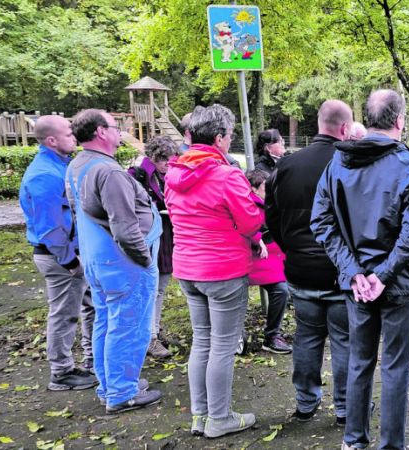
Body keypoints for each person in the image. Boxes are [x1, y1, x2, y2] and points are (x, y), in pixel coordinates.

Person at [311, 89, 409, 450]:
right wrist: (367, 274)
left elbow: (321, 222)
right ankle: (385, 444)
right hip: (391, 283)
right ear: (399, 121)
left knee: (360, 361)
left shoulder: (339, 163)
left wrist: (358, 274)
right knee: (394, 365)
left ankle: (354, 442)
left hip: (365, 283)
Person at [165, 104, 263, 438]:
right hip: (222, 270)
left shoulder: (173, 173)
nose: (230, 140)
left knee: (202, 341)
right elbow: (251, 220)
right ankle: (219, 418)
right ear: (220, 138)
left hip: (188, 269)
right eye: (230, 135)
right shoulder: (226, 174)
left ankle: (200, 415)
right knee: (222, 345)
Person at [66, 109, 162, 413]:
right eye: (115, 126)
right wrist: (144, 259)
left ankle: (111, 384)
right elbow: (124, 224)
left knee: (107, 321)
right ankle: (122, 393)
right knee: (129, 326)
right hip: (123, 263)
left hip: (99, 260)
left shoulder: (78, 166)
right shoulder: (108, 172)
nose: (120, 130)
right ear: (99, 132)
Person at [265, 99, 353, 426]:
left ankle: (305, 402)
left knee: (306, 337)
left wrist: (290, 248)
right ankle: (345, 408)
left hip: (301, 270)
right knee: (345, 341)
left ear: (319, 123)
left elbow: (271, 215)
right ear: (345, 128)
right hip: (342, 272)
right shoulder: (349, 164)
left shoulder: (286, 166)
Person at [19, 115, 97, 390]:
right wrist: (69, 261)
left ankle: (92, 360)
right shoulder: (44, 175)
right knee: (64, 313)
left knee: (91, 307)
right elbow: (50, 227)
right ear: (51, 140)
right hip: (59, 257)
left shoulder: (59, 166)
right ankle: (61, 372)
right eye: (68, 132)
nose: (74, 135)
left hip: (71, 254)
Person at [128, 136, 178, 359]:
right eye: (164, 159)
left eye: (171, 158)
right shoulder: (138, 175)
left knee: (160, 288)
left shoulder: (166, 176)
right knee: (149, 289)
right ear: (155, 157)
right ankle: (149, 338)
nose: (169, 163)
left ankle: (154, 331)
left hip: (167, 237)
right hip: (148, 238)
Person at [244, 169, 292, 354]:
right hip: (250, 258)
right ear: (254, 189)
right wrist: (257, 238)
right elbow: (241, 225)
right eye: (266, 186)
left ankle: (272, 335)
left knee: (281, 290)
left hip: (273, 257)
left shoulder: (272, 202)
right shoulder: (247, 204)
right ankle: (235, 335)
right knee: (237, 295)